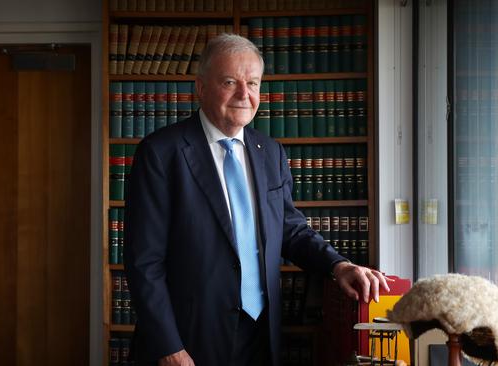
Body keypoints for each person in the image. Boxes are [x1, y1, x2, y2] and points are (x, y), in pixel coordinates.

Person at [124, 33, 390, 366]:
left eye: (252, 83)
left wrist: (338, 265)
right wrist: (168, 347)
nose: (243, 94)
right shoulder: (161, 153)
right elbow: (143, 263)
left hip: (260, 335)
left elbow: (290, 229)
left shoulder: (270, 153)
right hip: (189, 338)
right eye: (229, 82)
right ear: (201, 87)